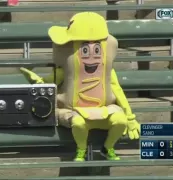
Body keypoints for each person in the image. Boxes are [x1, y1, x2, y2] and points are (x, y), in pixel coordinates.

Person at [20, 12, 140, 161]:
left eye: (96, 49)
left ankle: (107, 147)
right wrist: (37, 82)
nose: (91, 54)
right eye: (84, 49)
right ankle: (81, 150)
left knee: (120, 121)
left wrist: (130, 116)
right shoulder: (68, 68)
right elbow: (51, 83)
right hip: (73, 111)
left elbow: (116, 88)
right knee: (78, 123)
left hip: (103, 110)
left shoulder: (106, 70)